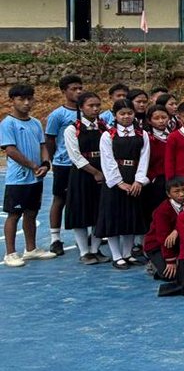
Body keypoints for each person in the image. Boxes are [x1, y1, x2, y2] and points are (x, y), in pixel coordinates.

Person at [2, 83, 53, 266]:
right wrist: (33, 165)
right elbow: (10, 150)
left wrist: (45, 164)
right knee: (14, 214)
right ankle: (10, 253)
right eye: (21, 99)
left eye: (29, 98)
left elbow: (42, 146)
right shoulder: (7, 123)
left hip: (35, 177)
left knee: (31, 213)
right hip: (18, 179)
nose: (26, 103)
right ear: (12, 101)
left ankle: (31, 249)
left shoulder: (36, 123)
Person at [95, 101, 149, 270]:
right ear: (115, 115)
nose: (126, 117)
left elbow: (144, 157)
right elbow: (107, 160)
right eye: (122, 114)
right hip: (115, 181)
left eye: (129, 113)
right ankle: (116, 255)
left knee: (131, 216)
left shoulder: (142, 134)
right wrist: (119, 182)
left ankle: (127, 253)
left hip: (134, 177)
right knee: (113, 217)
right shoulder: (108, 135)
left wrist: (139, 180)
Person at [61, 92, 106, 264]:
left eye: (97, 105)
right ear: (81, 108)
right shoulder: (72, 129)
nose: (95, 109)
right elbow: (76, 156)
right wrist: (95, 172)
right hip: (82, 174)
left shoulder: (104, 127)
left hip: (102, 172)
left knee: (98, 211)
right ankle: (84, 251)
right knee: (81, 213)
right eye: (90, 106)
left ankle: (95, 249)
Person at [44, 74, 83, 256]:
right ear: (64, 91)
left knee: (82, 200)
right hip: (64, 164)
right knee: (59, 199)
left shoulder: (87, 111)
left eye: (80, 88)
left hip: (84, 164)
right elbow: (50, 139)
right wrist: (54, 160)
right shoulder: (57, 115)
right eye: (73, 89)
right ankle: (55, 238)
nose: (78, 92)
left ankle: (83, 235)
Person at [143, 176, 184, 280]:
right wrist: (170, 260)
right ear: (168, 194)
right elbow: (163, 238)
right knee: (169, 275)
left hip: (181, 243)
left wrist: (177, 230)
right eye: (176, 191)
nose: (181, 194)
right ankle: (154, 265)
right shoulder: (162, 211)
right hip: (158, 246)